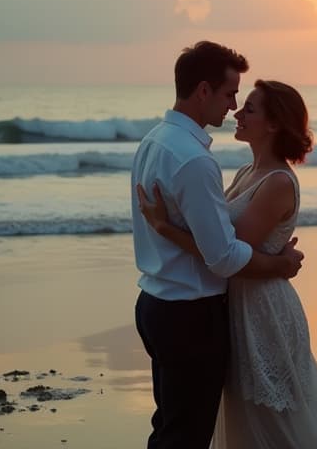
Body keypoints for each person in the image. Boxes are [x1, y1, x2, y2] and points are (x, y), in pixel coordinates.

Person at [138, 79, 317, 448]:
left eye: (249, 108)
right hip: (240, 307)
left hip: (264, 312)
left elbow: (228, 255)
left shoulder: (278, 182)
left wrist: (164, 227)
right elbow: (221, 246)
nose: (236, 112)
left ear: (274, 123)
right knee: (248, 420)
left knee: (279, 424)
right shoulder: (247, 173)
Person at [130, 41, 305, 449]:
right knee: (184, 434)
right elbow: (224, 255)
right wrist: (280, 265)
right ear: (204, 91)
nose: (234, 107)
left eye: (244, 102)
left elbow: (220, 243)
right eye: (230, 94)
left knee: (175, 427)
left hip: (162, 303)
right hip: (189, 315)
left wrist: (165, 230)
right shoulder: (194, 160)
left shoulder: (155, 141)